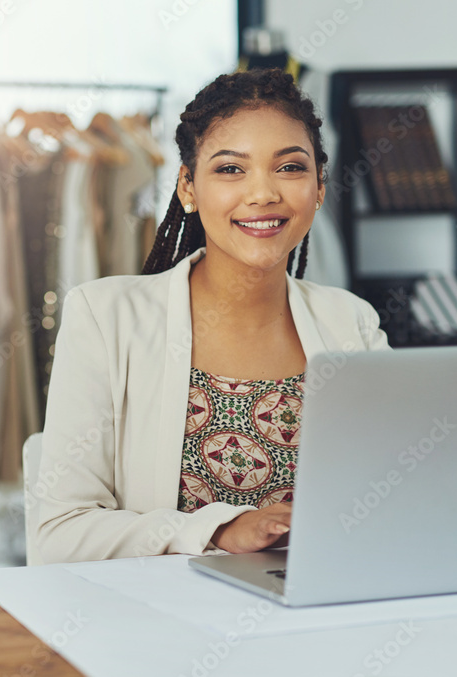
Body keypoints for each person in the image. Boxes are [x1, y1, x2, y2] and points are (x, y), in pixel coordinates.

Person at [33, 68, 391, 565]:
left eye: (290, 168)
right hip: (161, 627)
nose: (263, 193)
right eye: (230, 169)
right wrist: (217, 532)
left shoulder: (351, 323)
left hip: (316, 613)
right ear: (188, 187)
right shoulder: (104, 317)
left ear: (320, 188)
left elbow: (391, 499)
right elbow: (58, 537)